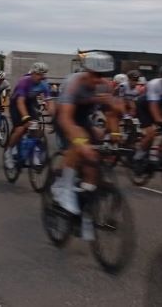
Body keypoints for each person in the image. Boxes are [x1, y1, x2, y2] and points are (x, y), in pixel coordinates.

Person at [50, 51, 123, 215]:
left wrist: (115, 137)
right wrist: (80, 143)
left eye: (103, 75)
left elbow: (112, 114)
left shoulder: (105, 86)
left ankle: (86, 191)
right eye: (95, 75)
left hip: (83, 118)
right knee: (79, 144)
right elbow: (66, 119)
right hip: (65, 117)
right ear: (86, 71)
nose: (99, 79)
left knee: (94, 155)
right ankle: (62, 187)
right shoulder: (73, 83)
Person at [4, 63, 52, 170]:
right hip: (17, 103)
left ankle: (34, 152)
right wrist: (26, 117)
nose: (41, 77)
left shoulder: (44, 83)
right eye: (39, 74)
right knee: (20, 129)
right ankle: (9, 152)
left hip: (30, 103)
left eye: (43, 75)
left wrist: (54, 117)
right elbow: (20, 102)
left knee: (37, 129)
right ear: (33, 73)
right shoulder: (24, 81)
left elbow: (49, 102)